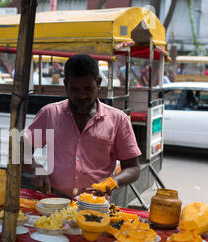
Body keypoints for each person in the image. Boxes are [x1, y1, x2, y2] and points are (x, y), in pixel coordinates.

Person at [23, 54, 141, 198]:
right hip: (55, 202)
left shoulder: (118, 119)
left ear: (98, 83)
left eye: (88, 88)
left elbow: (133, 168)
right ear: (66, 85)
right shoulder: (49, 114)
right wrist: (37, 169)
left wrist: (112, 182)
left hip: (95, 206)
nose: (82, 95)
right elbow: (20, 152)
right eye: (75, 89)